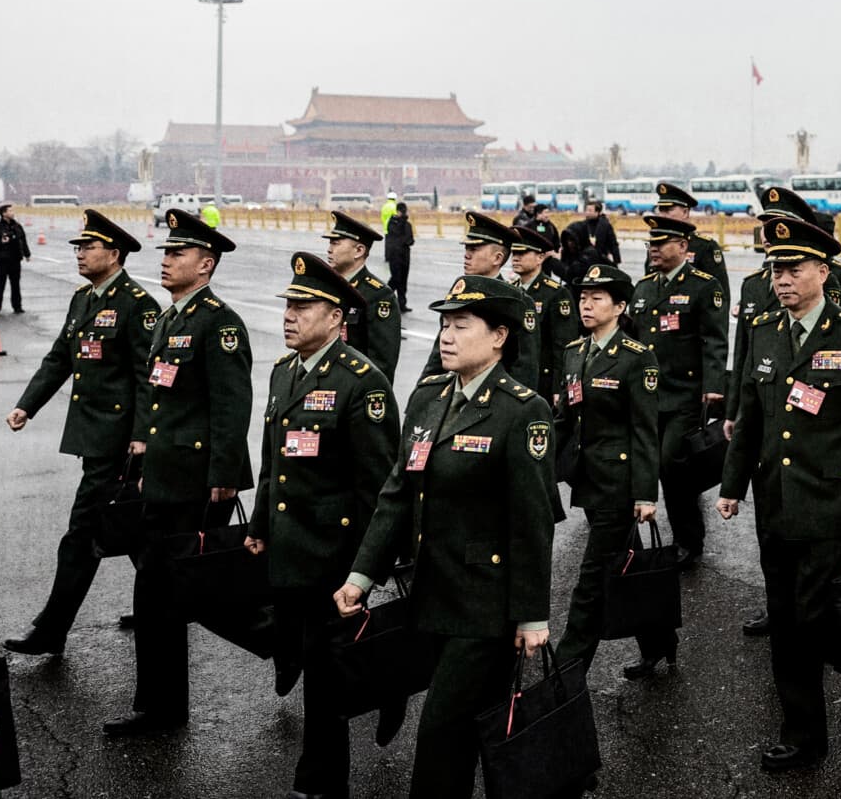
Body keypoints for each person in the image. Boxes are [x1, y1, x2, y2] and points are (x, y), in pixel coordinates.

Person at [333, 276, 558, 799]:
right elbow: (397, 493)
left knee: (440, 729)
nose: (446, 336)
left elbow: (532, 522)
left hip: (485, 603)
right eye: (443, 325)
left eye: (461, 325)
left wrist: (532, 615)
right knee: (466, 729)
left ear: (499, 335)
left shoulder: (522, 411)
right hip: (430, 593)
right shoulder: (430, 398)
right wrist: (361, 576)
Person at [717, 214, 841, 773]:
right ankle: (803, 735)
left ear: (823, 270)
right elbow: (749, 416)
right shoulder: (765, 330)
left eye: (793, 269)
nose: (782, 279)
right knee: (785, 619)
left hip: (829, 502)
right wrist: (733, 484)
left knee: (813, 617)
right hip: (775, 500)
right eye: (775, 269)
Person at [247, 253, 400, 796]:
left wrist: (363, 570)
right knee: (304, 653)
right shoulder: (282, 372)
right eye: (287, 305)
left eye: (302, 306)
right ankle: (389, 686)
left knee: (324, 671)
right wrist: (261, 522)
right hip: (290, 544)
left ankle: (322, 778)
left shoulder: (364, 383)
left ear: (336, 318)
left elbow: (380, 488)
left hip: (333, 554)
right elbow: (274, 460)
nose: (289, 316)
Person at [105, 209, 254, 737]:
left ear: (206, 264)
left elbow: (231, 406)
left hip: (197, 482)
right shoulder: (171, 318)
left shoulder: (219, 323)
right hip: (165, 479)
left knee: (195, 594)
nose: (165, 261)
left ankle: (286, 645)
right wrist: (146, 464)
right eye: (166, 253)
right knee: (155, 598)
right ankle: (159, 706)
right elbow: (161, 400)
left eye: (177, 254)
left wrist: (224, 475)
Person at [3, 209, 157, 656]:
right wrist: (25, 406)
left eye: (88, 247)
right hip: (94, 436)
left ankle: (53, 627)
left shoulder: (137, 304)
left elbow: (147, 375)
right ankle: (169, 599)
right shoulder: (83, 299)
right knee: (134, 528)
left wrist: (142, 433)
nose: (80, 254)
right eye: (79, 247)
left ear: (114, 253)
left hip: (120, 441)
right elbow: (59, 358)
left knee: (82, 533)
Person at [553, 263, 665, 676]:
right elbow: (565, 419)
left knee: (592, 580)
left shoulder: (636, 359)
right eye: (583, 297)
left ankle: (568, 668)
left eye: (596, 298)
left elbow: (644, 431)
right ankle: (658, 640)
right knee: (625, 568)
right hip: (588, 478)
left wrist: (644, 493)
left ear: (619, 306)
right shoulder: (574, 353)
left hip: (619, 485)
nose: (586, 304)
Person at [628, 214, 729, 576]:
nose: (653, 250)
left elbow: (714, 340)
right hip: (648, 395)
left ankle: (689, 541)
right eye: (650, 245)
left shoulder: (703, 286)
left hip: (685, 395)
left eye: (661, 244)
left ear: (683, 247)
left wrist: (713, 387)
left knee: (672, 465)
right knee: (644, 464)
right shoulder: (642, 288)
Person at [414, 212, 539, 384]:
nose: (466, 255)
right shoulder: (460, 291)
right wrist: (421, 398)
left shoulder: (517, 300)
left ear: (497, 258)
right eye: (466, 248)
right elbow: (438, 356)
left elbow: (524, 367)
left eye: (474, 249)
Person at [321, 209, 404, 383]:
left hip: (353, 393)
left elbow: (382, 363)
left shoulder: (378, 295)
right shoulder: (326, 288)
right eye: (330, 243)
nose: (329, 250)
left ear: (359, 250)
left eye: (336, 243)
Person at [509, 218, 577, 404]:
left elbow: (564, 345)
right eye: (514, 253)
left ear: (540, 258)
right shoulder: (511, 290)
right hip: (513, 377)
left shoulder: (556, 294)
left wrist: (558, 386)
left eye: (522, 253)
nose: (515, 258)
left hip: (542, 380)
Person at [644, 182, 729, 286]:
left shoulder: (705, 246)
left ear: (685, 212)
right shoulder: (655, 244)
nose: (662, 215)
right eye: (661, 210)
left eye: (668, 210)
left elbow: (720, 291)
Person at [0, 202, 31, 314]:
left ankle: (17, 306)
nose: (12, 213)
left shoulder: (17, 226)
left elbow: (23, 240)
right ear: (4, 213)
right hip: (2, 260)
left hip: (15, 259)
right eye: (10, 211)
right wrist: (0, 242)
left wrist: (27, 254)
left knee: (16, 285)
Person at [384, 197, 416, 312]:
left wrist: (407, 241)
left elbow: (410, 240)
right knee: (395, 279)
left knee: (403, 280)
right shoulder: (393, 223)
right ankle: (384, 296)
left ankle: (402, 304)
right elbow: (394, 237)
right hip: (395, 256)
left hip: (405, 256)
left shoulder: (408, 225)